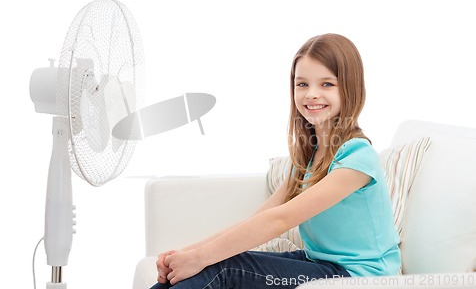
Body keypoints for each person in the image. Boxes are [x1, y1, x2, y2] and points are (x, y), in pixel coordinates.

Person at [150, 33, 401, 288]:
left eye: (326, 84)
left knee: (223, 268)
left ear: (350, 87)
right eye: (302, 84)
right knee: (206, 266)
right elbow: (260, 218)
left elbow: (280, 220)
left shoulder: (357, 158)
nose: (311, 94)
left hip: (358, 278)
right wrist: (183, 255)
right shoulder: (309, 157)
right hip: (319, 265)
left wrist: (199, 258)